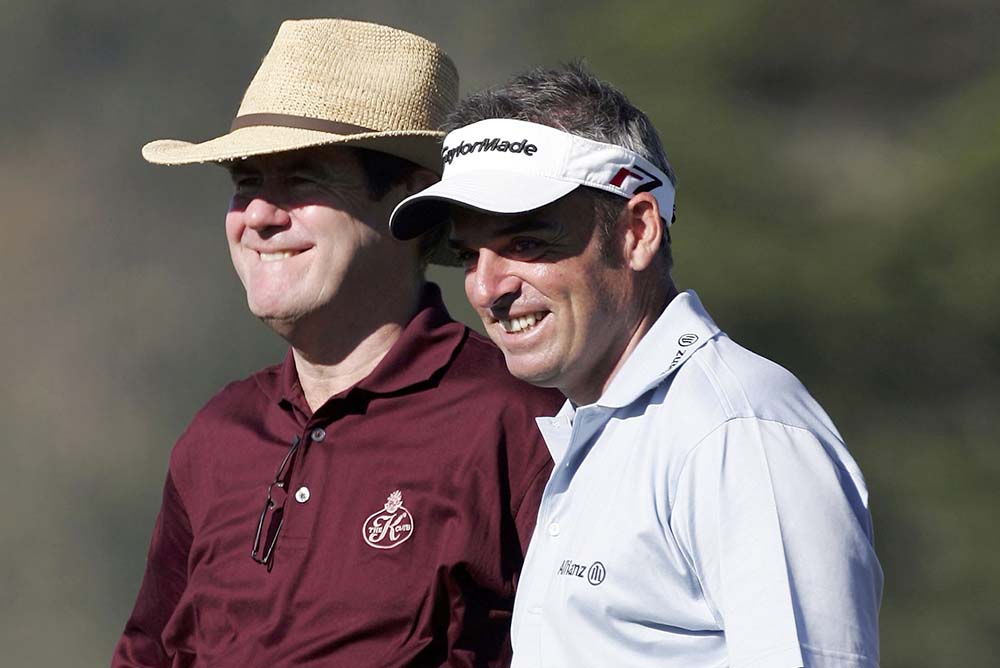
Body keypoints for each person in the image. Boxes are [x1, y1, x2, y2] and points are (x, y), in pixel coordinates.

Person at [389, 63, 884, 667]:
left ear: (638, 231)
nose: (488, 288)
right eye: (469, 254)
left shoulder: (737, 432)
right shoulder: (601, 425)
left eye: (526, 244)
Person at [113, 19, 562, 668]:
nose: (261, 216)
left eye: (302, 180)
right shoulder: (215, 436)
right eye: (245, 183)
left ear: (410, 204)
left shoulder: (519, 424)